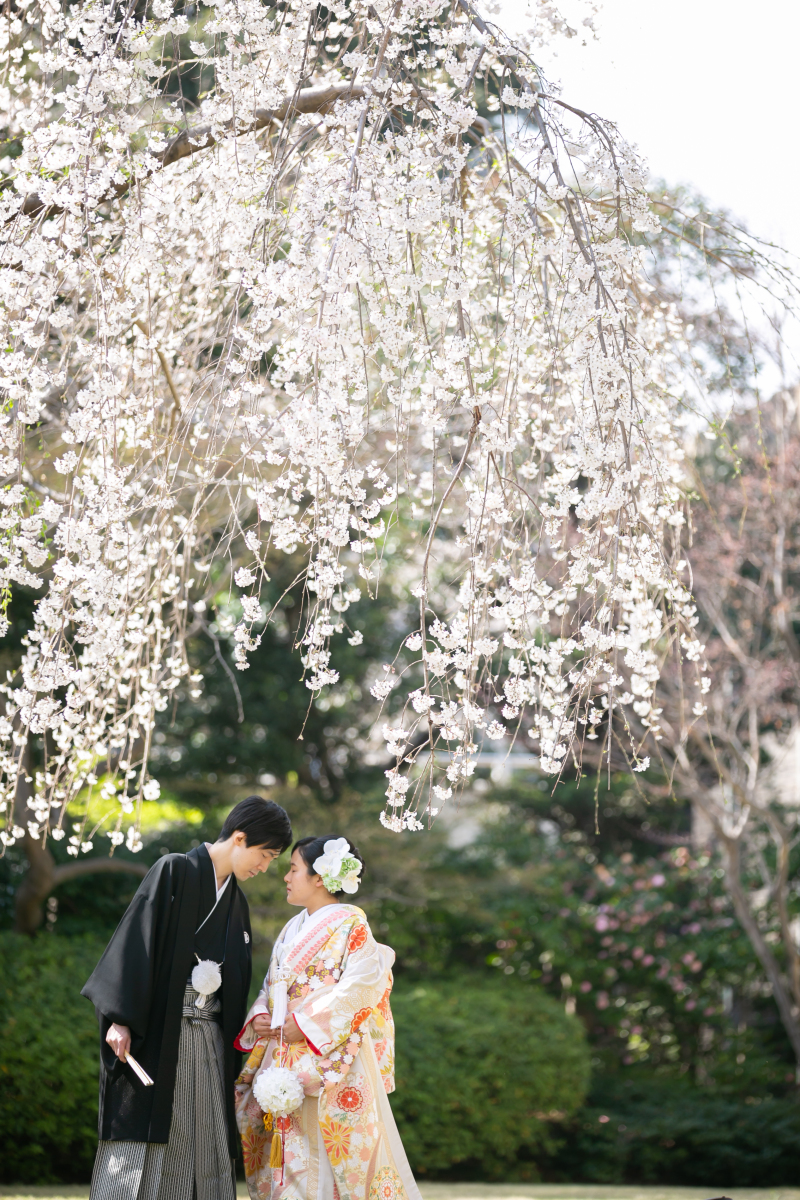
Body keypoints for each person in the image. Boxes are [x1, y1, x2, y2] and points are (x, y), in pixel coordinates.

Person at [82, 795, 293, 1200]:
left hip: (210, 1038)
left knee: (206, 1134)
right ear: (239, 837)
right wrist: (119, 1018)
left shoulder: (237, 903)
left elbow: (238, 983)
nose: (265, 867)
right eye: (265, 855)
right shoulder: (174, 870)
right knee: (149, 1131)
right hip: (160, 1032)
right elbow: (135, 943)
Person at [234, 835, 422, 1200]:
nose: (286, 877)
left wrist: (307, 1024)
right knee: (287, 1148)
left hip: (330, 1054)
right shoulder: (292, 927)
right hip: (285, 1050)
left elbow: (364, 984)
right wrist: (261, 1014)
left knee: (328, 1148)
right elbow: (272, 984)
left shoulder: (351, 924)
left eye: (293, 869)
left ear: (319, 877)